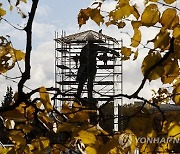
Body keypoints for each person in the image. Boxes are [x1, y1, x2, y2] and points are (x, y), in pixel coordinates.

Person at [76, 35, 119, 100]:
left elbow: (81, 60)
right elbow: (103, 48)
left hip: (85, 68)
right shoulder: (93, 47)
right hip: (90, 67)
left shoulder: (84, 48)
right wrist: (113, 51)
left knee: (82, 84)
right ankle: (88, 97)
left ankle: (78, 97)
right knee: (89, 83)